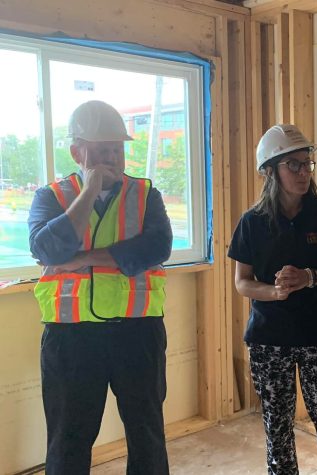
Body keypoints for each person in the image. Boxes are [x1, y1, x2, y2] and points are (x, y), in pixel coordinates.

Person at [28, 100, 172, 474]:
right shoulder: (52, 197)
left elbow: (156, 248)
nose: (112, 156)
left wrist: (84, 258)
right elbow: (47, 249)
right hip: (71, 338)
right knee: (69, 439)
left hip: (138, 333)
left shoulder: (146, 195)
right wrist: (88, 191)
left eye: (117, 148)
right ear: (77, 151)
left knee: (147, 436)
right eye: (101, 148)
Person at [228, 124, 317, 475]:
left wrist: (310, 277)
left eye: (308, 164)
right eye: (294, 165)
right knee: (278, 431)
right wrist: (274, 293)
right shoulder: (252, 222)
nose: (304, 173)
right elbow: (242, 282)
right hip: (269, 341)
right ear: (270, 171)